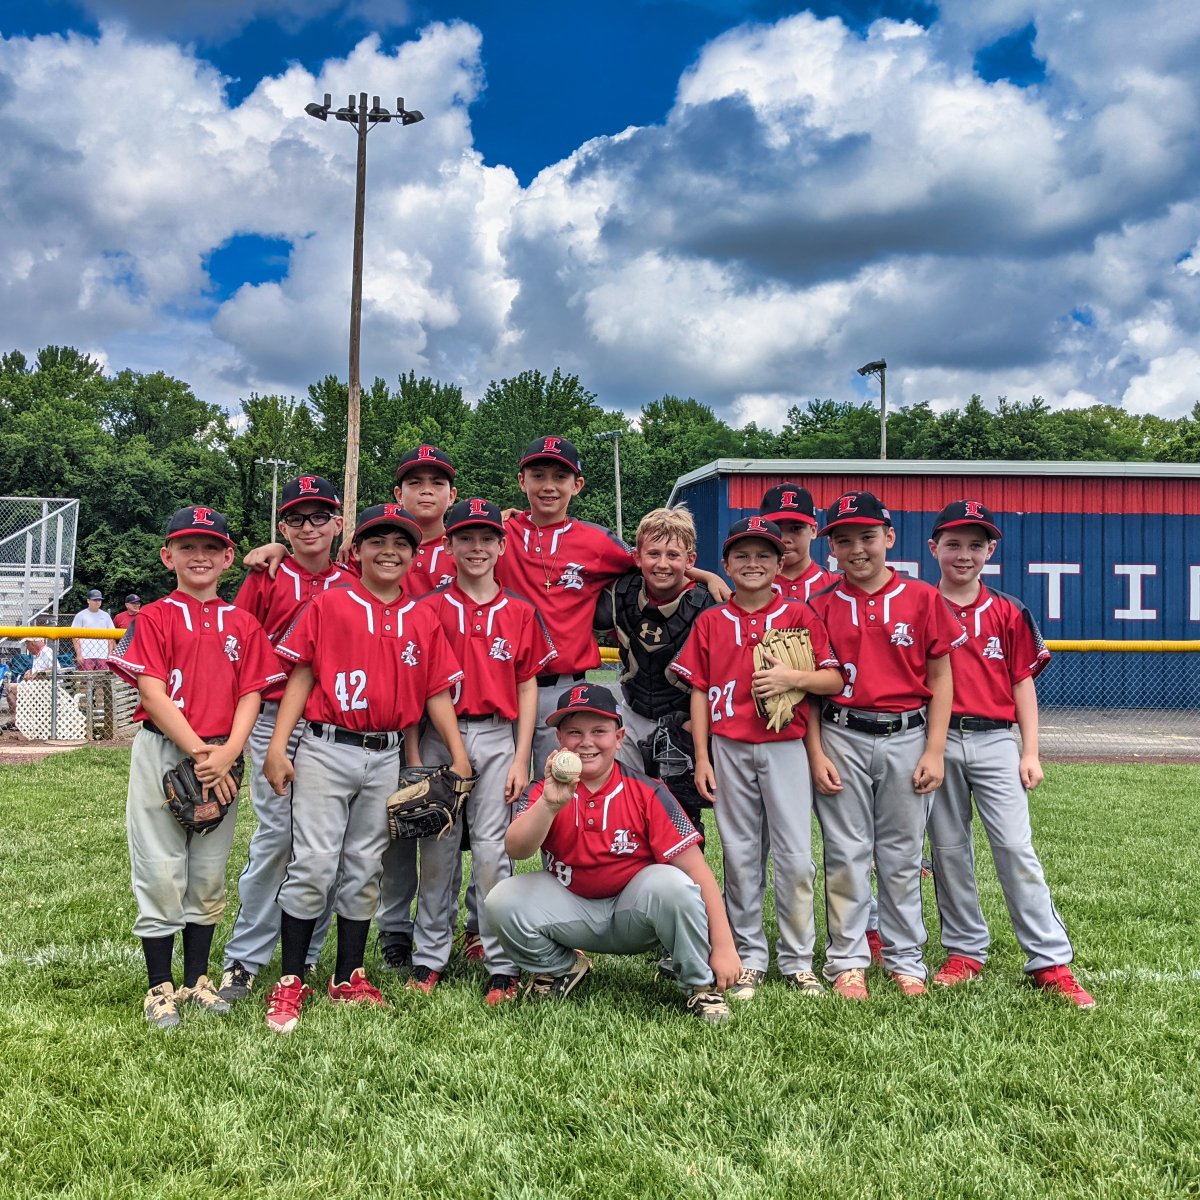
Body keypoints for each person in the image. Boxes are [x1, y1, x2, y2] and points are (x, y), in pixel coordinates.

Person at [261, 503, 471, 1034]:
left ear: (414, 554)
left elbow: (436, 691)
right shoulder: (331, 603)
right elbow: (301, 677)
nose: (390, 551)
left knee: (363, 866)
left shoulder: (422, 614)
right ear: (356, 551)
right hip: (327, 745)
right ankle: (290, 980)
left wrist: (458, 753)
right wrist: (278, 745)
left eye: (401, 544)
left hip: (385, 755)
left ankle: (348, 975)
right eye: (378, 541)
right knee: (312, 863)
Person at [108, 506, 282, 1029]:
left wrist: (229, 751)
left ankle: (197, 978)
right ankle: (159, 987)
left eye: (211, 547)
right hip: (166, 751)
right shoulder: (155, 616)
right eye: (187, 547)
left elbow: (253, 691)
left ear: (229, 556)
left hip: (222, 754)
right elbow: (151, 691)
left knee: (208, 872)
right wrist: (206, 756)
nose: (199, 556)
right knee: (161, 868)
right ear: (168, 557)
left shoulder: (243, 622)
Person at [485, 683, 740, 1024]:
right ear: (559, 739)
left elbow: (699, 872)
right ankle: (561, 968)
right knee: (502, 899)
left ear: (619, 737)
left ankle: (699, 985)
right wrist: (549, 805)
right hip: (572, 908)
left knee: (674, 884)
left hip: (634, 913)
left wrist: (723, 946)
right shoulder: (544, 790)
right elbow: (517, 848)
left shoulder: (649, 791)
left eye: (599, 731)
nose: (586, 742)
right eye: (574, 732)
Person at [925, 500, 1095, 1007]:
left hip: (996, 737)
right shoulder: (917, 603)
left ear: (990, 551)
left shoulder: (1008, 608)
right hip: (936, 738)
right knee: (949, 851)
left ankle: (1049, 959)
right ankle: (964, 950)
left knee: (1016, 849)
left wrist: (1031, 751)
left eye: (976, 545)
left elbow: (1022, 681)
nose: (964, 554)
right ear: (934, 547)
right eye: (953, 544)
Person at [670, 516, 844, 1000]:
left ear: (780, 562)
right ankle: (749, 957)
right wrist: (701, 757)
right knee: (741, 855)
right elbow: (699, 692)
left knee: (795, 857)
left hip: (785, 745)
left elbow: (833, 681)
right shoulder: (710, 621)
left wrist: (793, 679)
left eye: (764, 555)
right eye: (742, 556)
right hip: (728, 746)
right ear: (725, 564)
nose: (753, 563)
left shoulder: (800, 616)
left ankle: (797, 958)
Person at [805, 491, 965, 1000]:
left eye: (868, 536)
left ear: (889, 537)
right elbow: (808, 689)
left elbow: (942, 676)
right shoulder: (820, 605)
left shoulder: (922, 598)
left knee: (901, 855)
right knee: (846, 853)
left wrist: (935, 749)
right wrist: (815, 751)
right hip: (840, 731)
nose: (857, 549)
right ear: (830, 546)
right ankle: (848, 960)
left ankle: (904, 958)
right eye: (844, 539)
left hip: (908, 733)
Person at [496, 436, 729, 776]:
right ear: (522, 480)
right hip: (502, 688)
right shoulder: (499, 532)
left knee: (564, 792)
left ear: (577, 485)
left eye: (560, 477)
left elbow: (650, 560)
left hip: (565, 688)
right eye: (538, 475)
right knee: (503, 794)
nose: (549, 486)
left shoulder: (597, 540)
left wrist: (704, 574)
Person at [407, 497, 556, 1003]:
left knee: (494, 853)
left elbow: (528, 684)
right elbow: (416, 688)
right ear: (447, 544)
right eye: (465, 537)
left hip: (496, 734)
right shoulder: (428, 608)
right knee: (438, 850)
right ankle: (429, 957)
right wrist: (412, 755)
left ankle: (502, 961)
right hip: (437, 735)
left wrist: (520, 756)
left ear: (501, 544)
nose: (476, 547)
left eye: (486, 538)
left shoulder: (518, 610)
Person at [218, 475, 352, 1003]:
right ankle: (245, 958)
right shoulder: (266, 577)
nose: (309, 526)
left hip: (330, 726)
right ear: (283, 528)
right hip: (275, 717)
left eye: (321, 516)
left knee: (326, 844)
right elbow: (238, 647)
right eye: (297, 518)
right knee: (276, 838)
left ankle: (308, 954)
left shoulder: (353, 580)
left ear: (339, 524)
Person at [593, 505, 717, 847]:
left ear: (689, 559)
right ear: (637, 557)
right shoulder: (619, 593)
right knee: (623, 810)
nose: (662, 563)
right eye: (654, 554)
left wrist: (699, 727)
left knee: (681, 820)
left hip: (682, 720)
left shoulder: (708, 603)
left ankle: (687, 892)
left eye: (673, 555)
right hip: (632, 714)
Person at [760, 484, 835, 602]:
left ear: (813, 530)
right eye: (776, 529)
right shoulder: (750, 587)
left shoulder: (836, 587)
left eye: (796, 528)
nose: (784, 539)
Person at [71, 588, 115, 669]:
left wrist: (110, 653)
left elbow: (111, 636)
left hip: (103, 654)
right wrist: (79, 654)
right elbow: (75, 636)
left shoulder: (105, 615)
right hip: (86, 654)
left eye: (99, 600)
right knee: (86, 679)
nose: (97, 602)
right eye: (95, 600)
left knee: (102, 680)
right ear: (88, 601)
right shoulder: (81, 615)